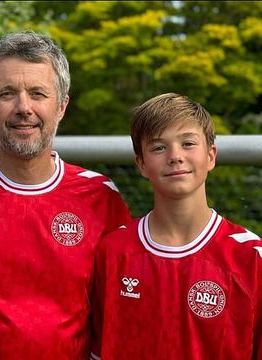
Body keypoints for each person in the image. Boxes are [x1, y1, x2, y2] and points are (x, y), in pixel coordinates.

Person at [0, 30, 132, 359]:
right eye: (7, 93)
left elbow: (117, 313)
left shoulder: (100, 197)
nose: (23, 107)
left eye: (38, 93)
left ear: (62, 106)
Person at [91, 93, 262, 359]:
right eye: (159, 147)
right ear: (142, 164)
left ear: (211, 156)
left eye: (188, 143)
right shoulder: (113, 251)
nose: (175, 156)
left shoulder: (250, 258)